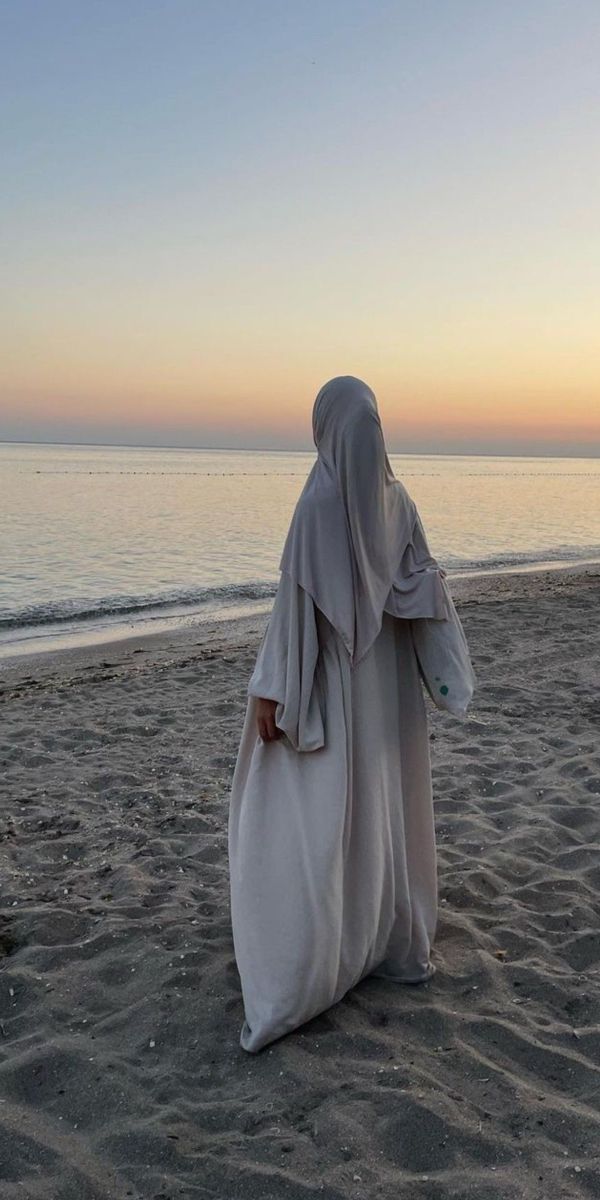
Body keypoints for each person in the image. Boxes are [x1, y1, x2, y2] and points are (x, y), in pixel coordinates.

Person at [228, 376, 476, 1053]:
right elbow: (416, 582)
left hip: (338, 688)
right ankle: (381, 935)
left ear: (322, 433)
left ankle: (321, 948)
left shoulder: (317, 509)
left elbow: (293, 618)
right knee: (381, 810)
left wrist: (271, 692)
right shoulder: (400, 505)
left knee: (319, 815)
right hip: (385, 693)